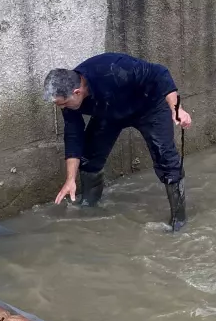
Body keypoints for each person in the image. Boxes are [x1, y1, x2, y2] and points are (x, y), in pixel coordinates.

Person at [42, 53, 193, 231]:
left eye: (63, 104)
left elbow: (160, 73)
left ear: (77, 92)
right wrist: (70, 179)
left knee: (167, 161)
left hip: (149, 107)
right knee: (89, 159)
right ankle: (88, 207)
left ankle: (179, 221)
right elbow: (73, 136)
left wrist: (177, 109)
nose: (62, 108)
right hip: (109, 113)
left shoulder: (114, 69)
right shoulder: (70, 101)